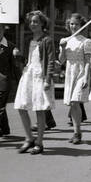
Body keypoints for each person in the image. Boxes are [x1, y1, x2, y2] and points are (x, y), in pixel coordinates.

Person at [14, 10, 56, 154]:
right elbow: (27, 60)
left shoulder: (47, 40)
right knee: (21, 106)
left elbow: (50, 61)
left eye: (36, 21)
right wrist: (18, 56)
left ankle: (39, 142)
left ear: (42, 23)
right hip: (28, 74)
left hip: (40, 76)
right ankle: (29, 138)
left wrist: (48, 79)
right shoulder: (28, 40)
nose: (33, 24)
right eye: (31, 21)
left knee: (39, 109)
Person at [59, 13, 91, 144]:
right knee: (72, 104)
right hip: (70, 72)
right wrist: (62, 48)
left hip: (81, 72)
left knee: (75, 101)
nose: (73, 26)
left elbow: (88, 61)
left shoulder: (86, 41)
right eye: (71, 23)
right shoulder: (64, 40)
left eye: (76, 24)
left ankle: (78, 133)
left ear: (81, 26)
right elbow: (61, 60)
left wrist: (85, 77)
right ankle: (76, 132)